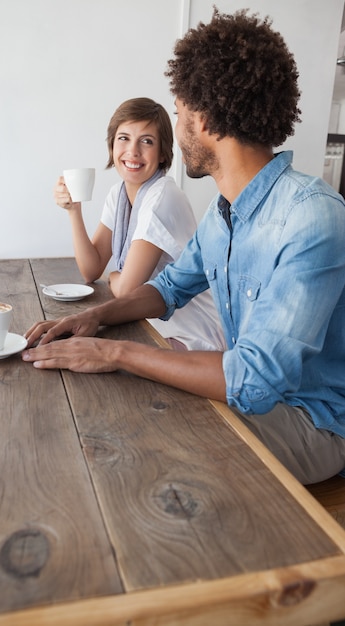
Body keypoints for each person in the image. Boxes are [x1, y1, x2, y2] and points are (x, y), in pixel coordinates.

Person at [23, 8, 345, 485]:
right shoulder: (225, 213)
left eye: (178, 114)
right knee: (117, 416)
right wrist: (93, 318)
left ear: (206, 119)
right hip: (258, 402)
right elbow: (168, 287)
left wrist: (115, 354)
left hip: (311, 424)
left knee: (143, 453)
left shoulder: (311, 215)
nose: (177, 126)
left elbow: (253, 381)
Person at [53, 97, 225, 351]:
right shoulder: (119, 194)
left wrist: (113, 277)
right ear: (112, 144)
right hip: (152, 325)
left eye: (146, 141)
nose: (133, 151)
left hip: (192, 335)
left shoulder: (162, 197)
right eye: (123, 138)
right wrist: (74, 211)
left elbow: (127, 290)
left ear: (163, 151)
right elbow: (91, 270)